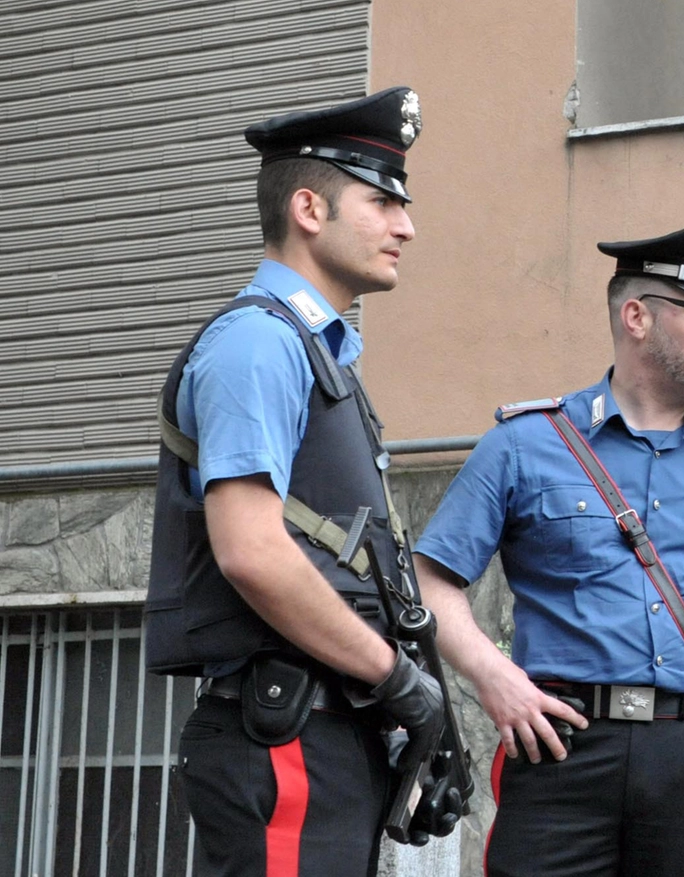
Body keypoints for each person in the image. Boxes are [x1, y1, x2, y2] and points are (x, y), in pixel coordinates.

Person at [412, 210, 684, 877]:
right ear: (637, 317)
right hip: (560, 746)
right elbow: (430, 577)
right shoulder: (526, 442)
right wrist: (493, 675)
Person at [144, 88, 449, 875]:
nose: (406, 226)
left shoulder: (317, 353)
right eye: (383, 201)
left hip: (319, 729)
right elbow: (252, 551)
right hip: (285, 733)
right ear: (309, 208)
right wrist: (396, 680)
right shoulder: (261, 345)